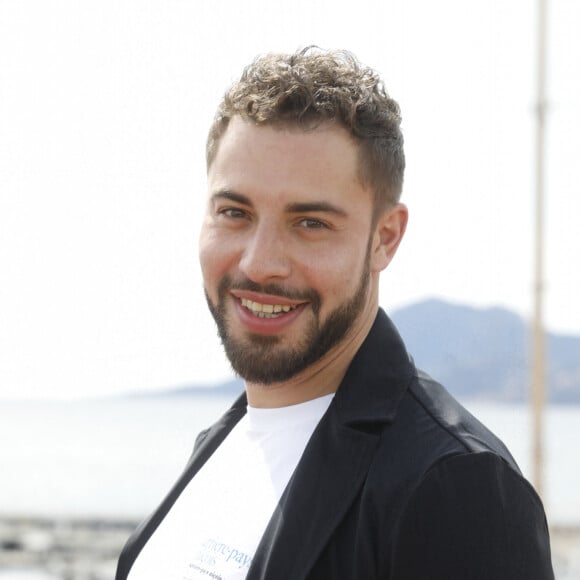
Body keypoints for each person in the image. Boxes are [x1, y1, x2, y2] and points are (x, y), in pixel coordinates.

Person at [116, 47, 554, 580]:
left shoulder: (456, 485)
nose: (260, 263)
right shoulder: (222, 445)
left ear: (384, 238)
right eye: (235, 213)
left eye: (310, 223)